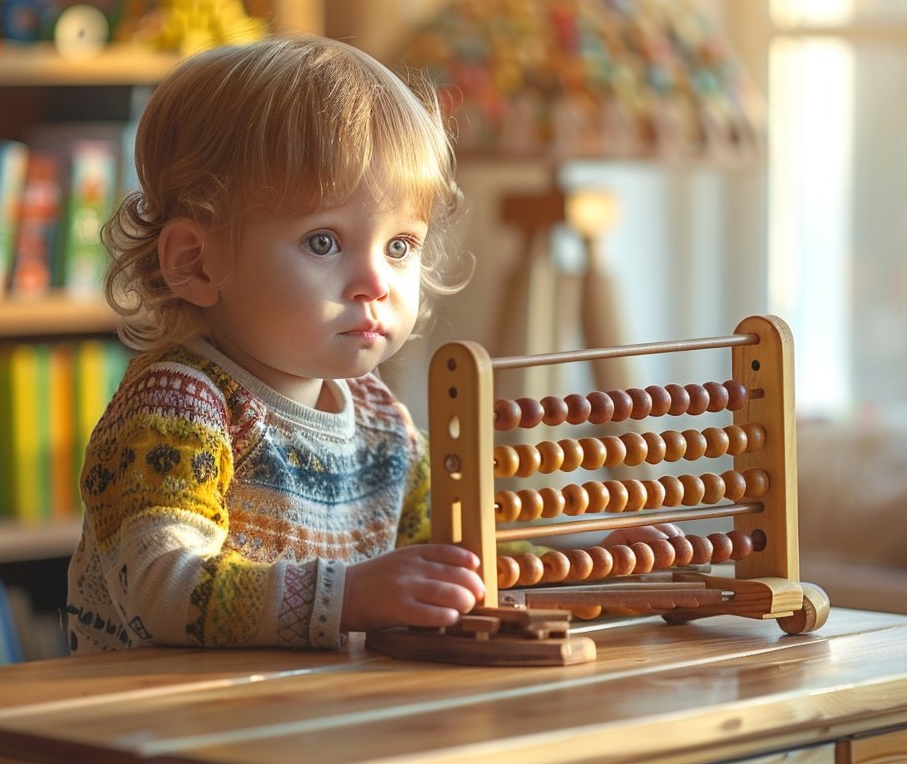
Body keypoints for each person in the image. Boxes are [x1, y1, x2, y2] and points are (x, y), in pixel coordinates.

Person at [65, 34, 675, 654]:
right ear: (196, 263)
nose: (376, 284)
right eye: (323, 242)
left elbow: (452, 561)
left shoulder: (380, 419)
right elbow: (163, 590)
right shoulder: (180, 408)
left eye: (399, 246)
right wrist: (349, 595)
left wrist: (584, 571)